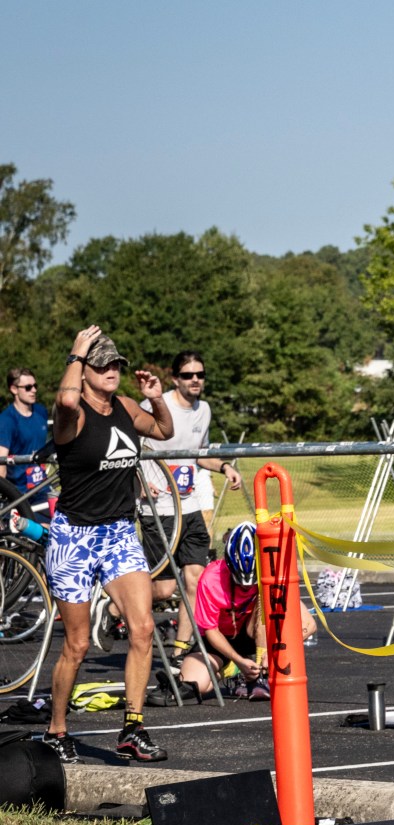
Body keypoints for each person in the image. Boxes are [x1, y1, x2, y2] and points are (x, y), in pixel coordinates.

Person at [45, 326, 175, 764]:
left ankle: (132, 728)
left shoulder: (122, 405)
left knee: (142, 628)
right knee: (77, 645)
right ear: (82, 372)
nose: (111, 370)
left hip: (118, 531)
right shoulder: (73, 414)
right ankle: (57, 729)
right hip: (74, 535)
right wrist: (77, 351)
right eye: (101, 365)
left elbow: (162, 429)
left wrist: (155, 395)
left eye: (115, 364)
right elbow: (63, 399)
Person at [140, 350, 244, 649]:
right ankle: (112, 609)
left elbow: (200, 455)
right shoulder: (154, 405)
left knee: (195, 580)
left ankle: (179, 649)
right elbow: (129, 450)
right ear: (175, 379)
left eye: (200, 374)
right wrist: (141, 482)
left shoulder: (204, 410)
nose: (195, 380)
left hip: (190, 505)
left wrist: (225, 467)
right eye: (188, 375)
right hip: (158, 508)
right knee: (162, 589)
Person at [177, 521, 314, 700]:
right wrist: (238, 661)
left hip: (256, 634)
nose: (245, 587)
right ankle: (234, 671)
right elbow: (210, 630)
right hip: (221, 639)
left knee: (263, 601)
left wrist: (275, 652)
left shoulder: (273, 572)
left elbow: (309, 625)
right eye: (239, 582)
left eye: (251, 582)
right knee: (196, 685)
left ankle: (260, 674)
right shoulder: (210, 578)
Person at [0, 368, 54, 516]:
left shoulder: (41, 412)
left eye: (35, 386)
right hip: (19, 494)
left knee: (64, 522)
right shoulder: (6, 421)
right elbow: (1, 465)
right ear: (13, 389)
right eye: (28, 387)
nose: (34, 390)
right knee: (39, 531)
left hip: (42, 488)